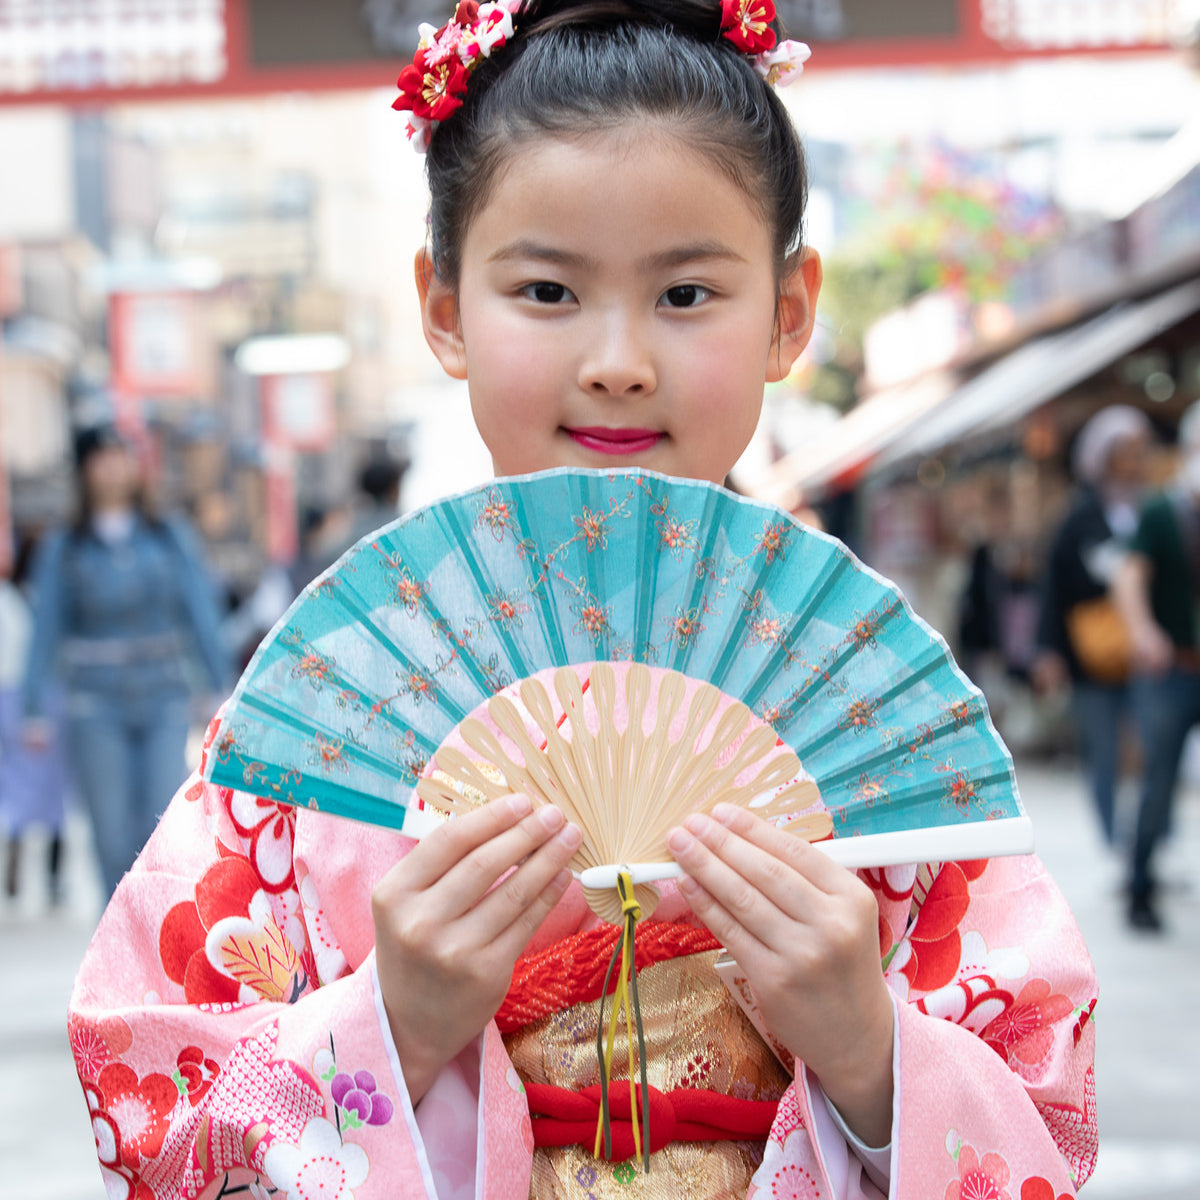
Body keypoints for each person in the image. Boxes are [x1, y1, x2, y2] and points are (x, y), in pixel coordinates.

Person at [68, 4, 1096, 1198]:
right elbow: (145, 1108)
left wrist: (869, 1050)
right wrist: (389, 1026)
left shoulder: (867, 717)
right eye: (548, 291)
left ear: (791, 309)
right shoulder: (329, 721)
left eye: (687, 294)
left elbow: (1046, 1117)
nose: (617, 358)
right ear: (445, 306)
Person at [22, 421, 230, 899]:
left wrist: (219, 684)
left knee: (162, 829)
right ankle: (115, 960)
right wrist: (34, 707)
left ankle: (164, 952)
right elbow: (45, 627)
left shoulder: (166, 535)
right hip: (96, 705)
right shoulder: (65, 546)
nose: (114, 466)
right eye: (102, 456)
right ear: (85, 469)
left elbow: (200, 609)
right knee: (111, 836)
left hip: (161, 695)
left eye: (122, 455)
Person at [1032, 406, 1152, 846]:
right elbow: (1054, 589)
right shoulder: (1079, 516)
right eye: (1126, 450)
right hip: (1092, 654)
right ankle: (1114, 841)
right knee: (1105, 751)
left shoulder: (1151, 508)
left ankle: (1147, 838)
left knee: (1153, 749)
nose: (1136, 460)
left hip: (1148, 655)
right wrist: (1048, 651)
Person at [1113, 398, 1200, 932]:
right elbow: (1129, 577)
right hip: (1170, 672)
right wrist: (1144, 633)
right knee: (1158, 780)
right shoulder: (1160, 512)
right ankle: (1139, 887)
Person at [0, 536, 70, 905]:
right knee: (52, 790)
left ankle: (21, 851)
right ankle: (53, 875)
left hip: (20, 696)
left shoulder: (15, 602)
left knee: (17, 785)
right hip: (39, 697)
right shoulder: (33, 604)